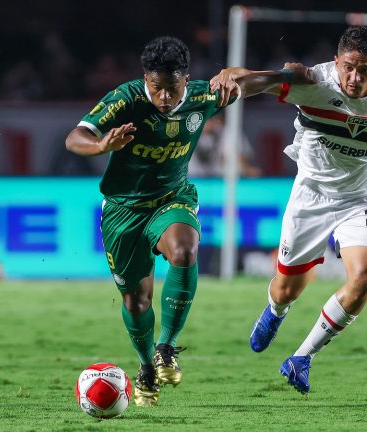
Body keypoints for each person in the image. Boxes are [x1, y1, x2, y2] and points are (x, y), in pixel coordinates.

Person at [210, 26, 367, 394]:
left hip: (361, 197)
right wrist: (230, 76)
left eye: (364, 69)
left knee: (366, 277)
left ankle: (301, 358)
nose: (354, 77)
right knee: (286, 290)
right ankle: (275, 311)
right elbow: (258, 81)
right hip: (311, 197)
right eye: (348, 67)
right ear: (336, 62)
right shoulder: (314, 82)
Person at [65, 36, 241, 407]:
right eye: (156, 88)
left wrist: (243, 75)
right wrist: (100, 146)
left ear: (186, 79)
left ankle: (166, 348)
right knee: (136, 300)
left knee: (184, 250)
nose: (164, 98)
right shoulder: (126, 99)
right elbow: (74, 137)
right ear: (145, 79)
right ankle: (146, 369)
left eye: (172, 88)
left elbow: (252, 84)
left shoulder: (201, 97)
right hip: (124, 209)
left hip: (171, 199)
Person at [188, 114, 262, 177]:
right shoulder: (186, 134)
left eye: (210, 117)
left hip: (220, 181)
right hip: (192, 179)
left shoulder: (228, 134)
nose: (207, 122)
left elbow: (242, 160)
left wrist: (246, 169)